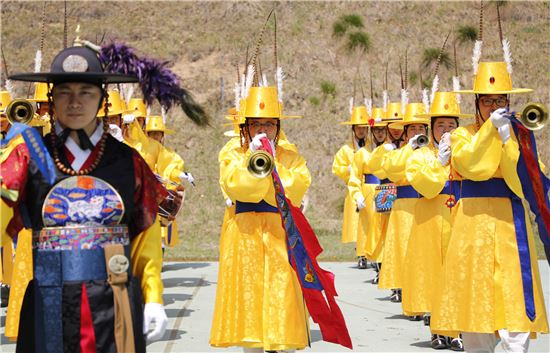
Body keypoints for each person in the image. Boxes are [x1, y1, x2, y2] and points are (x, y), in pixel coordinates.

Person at [2, 43, 169, 352]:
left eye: (86, 93)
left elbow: (146, 236)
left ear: (103, 100)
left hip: (116, 301)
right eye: (65, 92)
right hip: (48, 301)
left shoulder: (128, 162)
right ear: (51, 100)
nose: (75, 103)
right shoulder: (26, 157)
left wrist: (154, 296)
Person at [430, 61, 549, 352]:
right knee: (475, 306)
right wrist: (489, 133)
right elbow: (473, 165)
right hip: (472, 224)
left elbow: (524, 182)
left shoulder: (519, 136)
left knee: (514, 300)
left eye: (500, 100)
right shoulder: (461, 135)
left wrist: (509, 141)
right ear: (477, 104)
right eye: (487, 101)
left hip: (511, 223)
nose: (494, 106)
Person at [210, 86, 312, 352]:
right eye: (256, 124)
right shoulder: (232, 154)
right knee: (250, 308)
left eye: (269, 123)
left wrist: (273, 166)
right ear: (245, 127)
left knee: (284, 301)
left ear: (278, 126)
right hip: (245, 237)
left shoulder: (291, 156)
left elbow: (296, 192)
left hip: (281, 235)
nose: (263, 129)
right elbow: (237, 188)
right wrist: (252, 161)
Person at [403, 91, 472, 350]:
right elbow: (425, 186)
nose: (445, 130)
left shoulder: (466, 151)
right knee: (433, 272)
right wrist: (440, 162)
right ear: (431, 129)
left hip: (459, 216)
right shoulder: (421, 154)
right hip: (431, 218)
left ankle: (459, 328)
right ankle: (438, 329)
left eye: (451, 125)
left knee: (458, 272)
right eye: (440, 125)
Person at [379, 102, 428, 304]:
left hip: (425, 205)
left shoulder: (432, 151)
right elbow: (391, 169)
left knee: (424, 254)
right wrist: (410, 147)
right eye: (413, 129)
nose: (417, 132)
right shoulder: (398, 152)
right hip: (404, 208)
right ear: (406, 133)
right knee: (403, 250)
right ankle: (402, 289)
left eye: (421, 128)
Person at [348, 107, 391, 281]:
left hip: (386, 190)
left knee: (386, 231)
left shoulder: (391, 149)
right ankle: (377, 266)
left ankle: (387, 270)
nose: (380, 134)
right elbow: (355, 177)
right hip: (369, 192)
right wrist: (357, 195)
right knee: (372, 232)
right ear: (371, 132)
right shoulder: (363, 153)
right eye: (377, 130)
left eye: (383, 130)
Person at [333, 104, 369, 268]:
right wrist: (347, 170)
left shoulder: (371, 148)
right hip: (354, 189)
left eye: (364, 128)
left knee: (370, 221)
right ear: (353, 129)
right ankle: (360, 254)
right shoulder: (346, 149)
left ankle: (369, 252)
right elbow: (336, 168)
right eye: (358, 128)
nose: (362, 131)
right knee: (356, 223)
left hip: (369, 187)